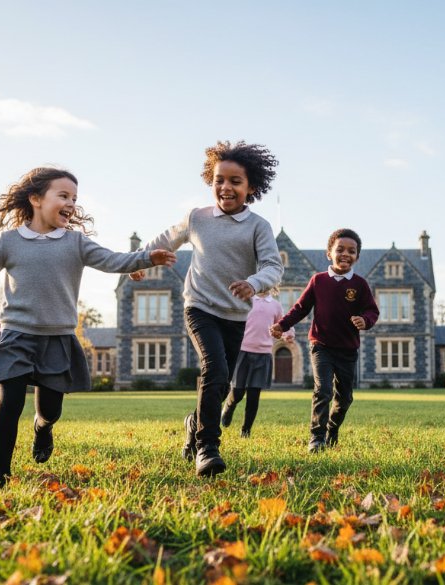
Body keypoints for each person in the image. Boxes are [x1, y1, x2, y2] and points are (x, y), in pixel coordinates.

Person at [0, 167, 175, 489]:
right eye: (63, 196)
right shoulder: (9, 242)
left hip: (58, 339)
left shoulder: (76, 242)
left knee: (50, 409)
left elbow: (113, 260)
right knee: (9, 403)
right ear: (36, 199)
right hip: (16, 336)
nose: (71, 204)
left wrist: (146, 258)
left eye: (75, 199)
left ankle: (42, 427)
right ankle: (0, 475)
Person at [134, 140, 283, 477]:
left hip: (235, 314)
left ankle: (193, 424)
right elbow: (164, 240)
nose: (225, 187)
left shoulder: (259, 226)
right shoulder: (197, 218)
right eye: (219, 179)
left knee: (220, 383)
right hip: (199, 306)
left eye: (235, 181)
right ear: (210, 180)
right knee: (213, 369)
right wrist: (140, 260)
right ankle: (207, 447)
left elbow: (274, 267)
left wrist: (255, 283)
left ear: (251, 187)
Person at [271, 228, 380, 453]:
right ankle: (316, 438)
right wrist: (282, 325)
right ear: (329, 253)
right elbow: (300, 308)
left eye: (352, 251)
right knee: (323, 390)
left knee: (345, 397)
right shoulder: (318, 281)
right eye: (340, 249)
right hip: (321, 345)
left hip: (348, 349)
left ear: (357, 257)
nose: (345, 254)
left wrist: (365, 320)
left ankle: (332, 428)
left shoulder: (359, 284)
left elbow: (372, 311)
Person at [220, 287, 294, 438]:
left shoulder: (275, 305)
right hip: (243, 351)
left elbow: (283, 324)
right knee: (238, 392)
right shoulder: (246, 300)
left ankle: (245, 431)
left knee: (254, 395)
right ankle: (229, 406)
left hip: (263, 354)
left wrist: (288, 334)